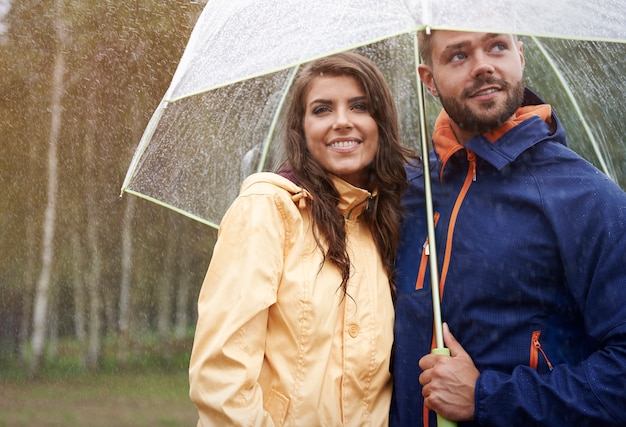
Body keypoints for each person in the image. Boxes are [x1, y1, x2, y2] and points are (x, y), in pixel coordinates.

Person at [390, 30, 626, 427]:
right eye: (458, 55)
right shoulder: (412, 193)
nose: (483, 65)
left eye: (496, 46)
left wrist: (489, 398)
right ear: (428, 80)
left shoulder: (587, 198)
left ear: (520, 54)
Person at [189, 51, 416, 426]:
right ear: (301, 128)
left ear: (381, 123)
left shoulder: (388, 223)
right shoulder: (268, 209)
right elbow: (222, 375)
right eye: (322, 109)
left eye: (359, 106)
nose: (342, 122)